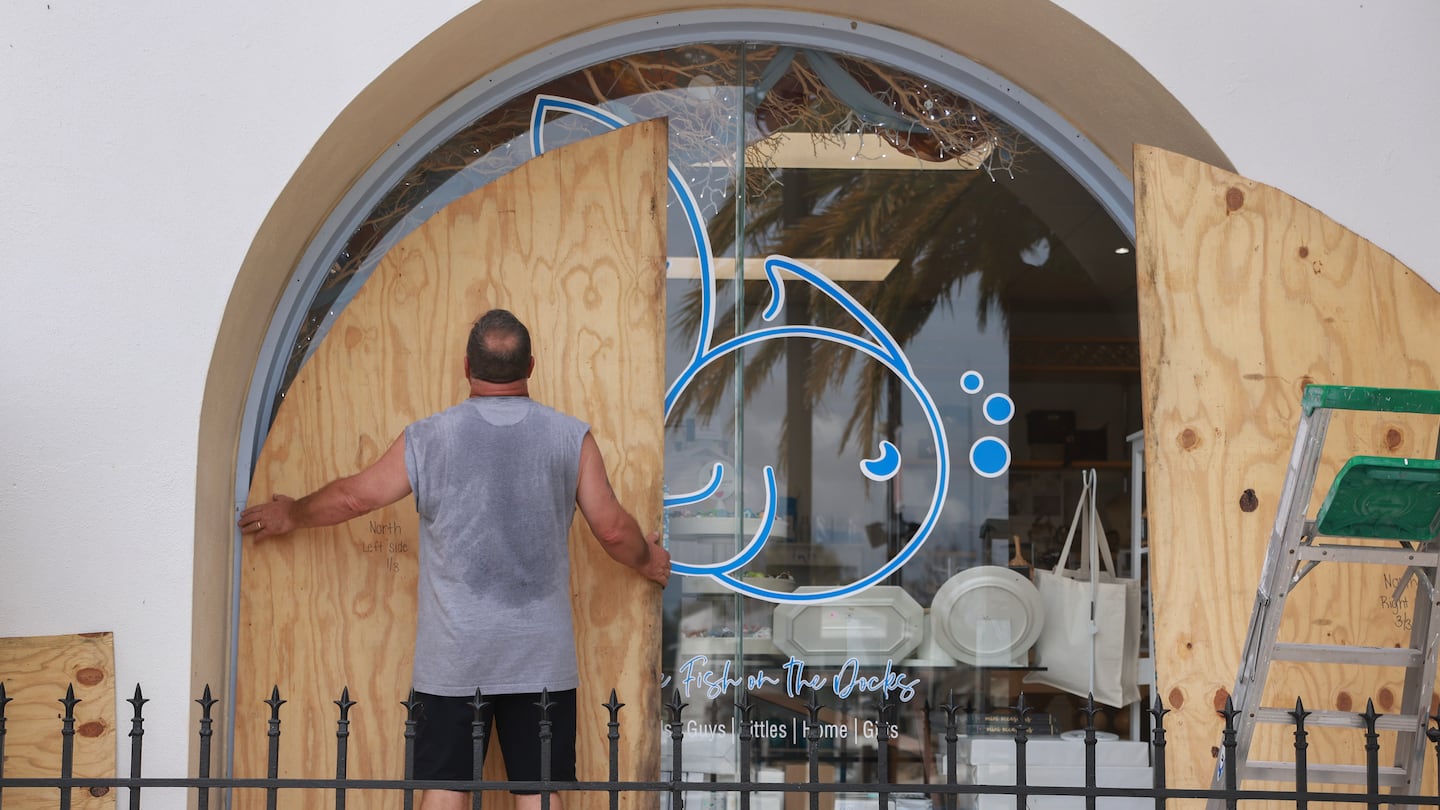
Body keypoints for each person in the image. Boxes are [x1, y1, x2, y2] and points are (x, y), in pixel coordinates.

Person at [239, 308, 670, 810]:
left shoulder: (429, 438)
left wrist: (293, 513)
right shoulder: (569, 438)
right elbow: (614, 530)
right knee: (540, 796)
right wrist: (648, 561)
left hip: (454, 658)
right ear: (531, 366)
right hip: (539, 660)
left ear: (467, 367)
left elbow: (356, 497)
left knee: (444, 793)